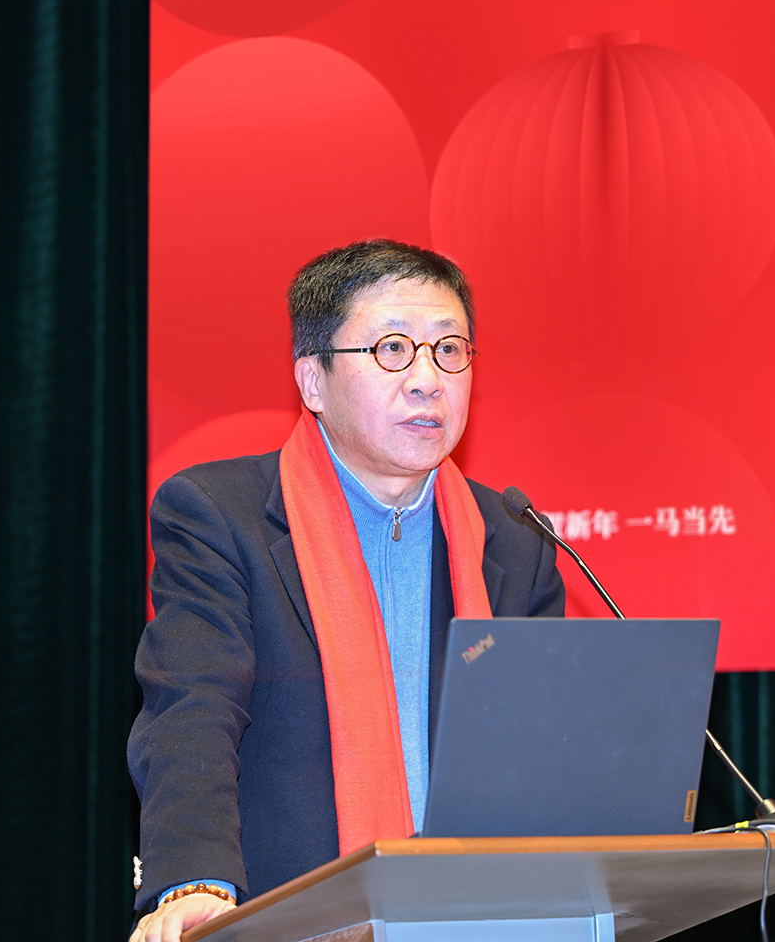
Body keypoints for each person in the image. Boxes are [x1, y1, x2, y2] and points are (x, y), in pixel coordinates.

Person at [128, 240, 566, 942]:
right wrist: (196, 881)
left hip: (482, 919)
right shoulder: (219, 515)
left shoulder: (513, 541)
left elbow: (550, 750)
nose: (428, 380)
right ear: (313, 380)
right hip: (292, 918)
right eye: (392, 349)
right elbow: (193, 709)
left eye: (449, 349)